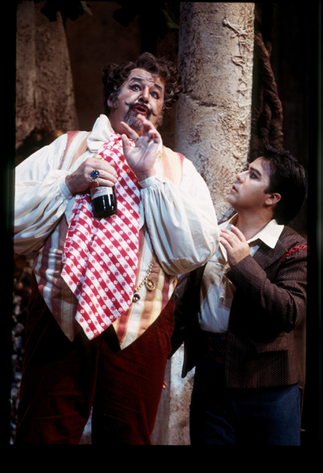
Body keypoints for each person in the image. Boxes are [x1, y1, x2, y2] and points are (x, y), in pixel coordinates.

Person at [14, 52, 219, 444]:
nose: (146, 97)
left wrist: (148, 178)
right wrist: (67, 184)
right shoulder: (68, 148)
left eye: (156, 93)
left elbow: (195, 247)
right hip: (62, 311)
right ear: (113, 97)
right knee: (43, 430)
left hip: (138, 322)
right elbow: (16, 212)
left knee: (127, 434)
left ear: (161, 110)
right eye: (135, 86)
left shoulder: (176, 168)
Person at [171, 145, 307, 446]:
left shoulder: (294, 247)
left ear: (272, 198)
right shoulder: (212, 234)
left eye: (253, 175)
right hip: (210, 386)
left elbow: (290, 313)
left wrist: (243, 263)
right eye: (246, 169)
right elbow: (182, 308)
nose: (240, 175)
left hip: (268, 392)